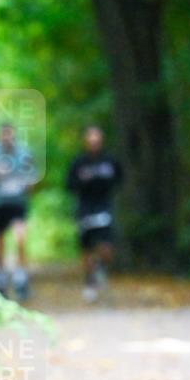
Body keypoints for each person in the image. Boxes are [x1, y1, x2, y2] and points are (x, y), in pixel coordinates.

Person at [0, 123, 36, 300]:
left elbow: (33, 176)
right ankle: (0, 278)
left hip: (18, 203)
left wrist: (28, 184)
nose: (7, 138)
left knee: (20, 239)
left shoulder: (23, 152)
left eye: (10, 135)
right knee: (0, 241)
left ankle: (20, 278)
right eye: (4, 135)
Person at [66, 125, 123, 303]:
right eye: (91, 139)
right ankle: (90, 281)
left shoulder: (109, 160)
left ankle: (99, 269)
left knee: (106, 249)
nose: (94, 143)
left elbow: (120, 178)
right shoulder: (78, 162)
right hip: (85, 209)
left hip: (104, 207)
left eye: (97, 139)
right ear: (85, 141)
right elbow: (69, 184)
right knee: (87, 249)